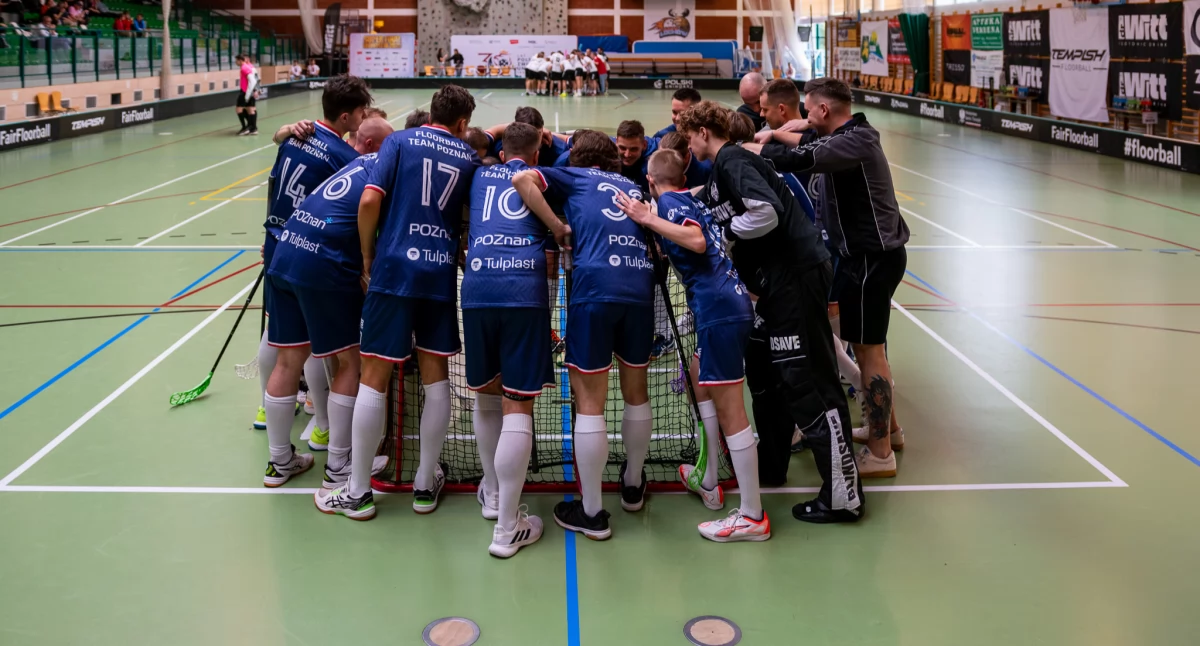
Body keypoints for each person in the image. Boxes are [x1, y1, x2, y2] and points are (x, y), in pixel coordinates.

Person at [679, 101, 864, 523]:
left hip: (795, 277)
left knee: (808, 381)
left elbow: (765, 211)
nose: (689, 145)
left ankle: (842, 496)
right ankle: (783, 469)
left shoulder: (732, 160)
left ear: (704, 132)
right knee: (777, 373)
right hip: (782, 282)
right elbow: (700, 199)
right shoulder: (722, 172)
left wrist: (723, 234)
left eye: (690, 137)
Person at [750, 78, 909, 478]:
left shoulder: (854, 143)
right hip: (864, 259)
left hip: (871, 259)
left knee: (870, 353)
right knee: (866, 348)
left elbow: (803, 157)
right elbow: (809, 140)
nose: (802, 115)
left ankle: (880, 454)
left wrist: (754, 150)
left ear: (823, 110)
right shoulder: (851, 133)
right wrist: (780, 132)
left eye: (807, 109)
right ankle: (889, 431)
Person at [615, 150, 768, 542]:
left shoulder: (668, 203)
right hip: (724, 305)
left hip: (718, 308)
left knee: (731, 407)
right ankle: (709, 476)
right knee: (700, 373)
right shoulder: (688, 199)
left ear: (650, 181)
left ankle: (752, 515)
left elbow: (697, 241)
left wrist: (648, 216)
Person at [512, 130, 654, 541]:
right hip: (639, 289)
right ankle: (632, 484)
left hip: (594, 288)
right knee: (637, 391)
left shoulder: (573, 176)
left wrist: (557, 226)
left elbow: (521, 180)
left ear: (577, 157)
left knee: (590, 402)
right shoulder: (632, 184)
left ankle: (592, 512)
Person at [350, 84, 481, 515]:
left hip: (393, 268)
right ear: (463, 123)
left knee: (375, 373)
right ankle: (425, 484)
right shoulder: (468, 157)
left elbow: (370, 199)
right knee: (435, 375)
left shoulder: (399, 141)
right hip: (438, 273)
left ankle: (357, 491)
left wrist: (368, 253)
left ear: (431, 113)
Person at [263, 117, 393, 498]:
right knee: (349, 362)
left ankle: (278, 460)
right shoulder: (377, 170)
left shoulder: (348, 163)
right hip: (322, 263)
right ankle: (339, 465)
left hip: (285, 252)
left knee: (289, 360)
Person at [459, 122, 567, 557]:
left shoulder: (478, 174)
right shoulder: (547, 182)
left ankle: (493, 494)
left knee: (486, 392)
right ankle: (507, 529)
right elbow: (554, 252)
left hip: (477, 287)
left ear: (503, 152)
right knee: (517, 403)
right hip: (523, 289)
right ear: (537, 153)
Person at [614, 120, 657, 196]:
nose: (627, 155)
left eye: (633, 149)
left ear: (644, 145)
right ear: (616, 142)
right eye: (622, 148)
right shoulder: (606, 150)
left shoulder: (657, 158)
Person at [234, 55, 260, 136]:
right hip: (249, 91)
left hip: (246, 91)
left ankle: (246, 127)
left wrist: (250, 93)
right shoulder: (249, 67)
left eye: (236, 60)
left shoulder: (245, 68)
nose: (235, 62)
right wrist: (256, 90)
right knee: (250, 109)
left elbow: (254, 80)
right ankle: (252, 127)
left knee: (239, 109)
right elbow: (256, 79)